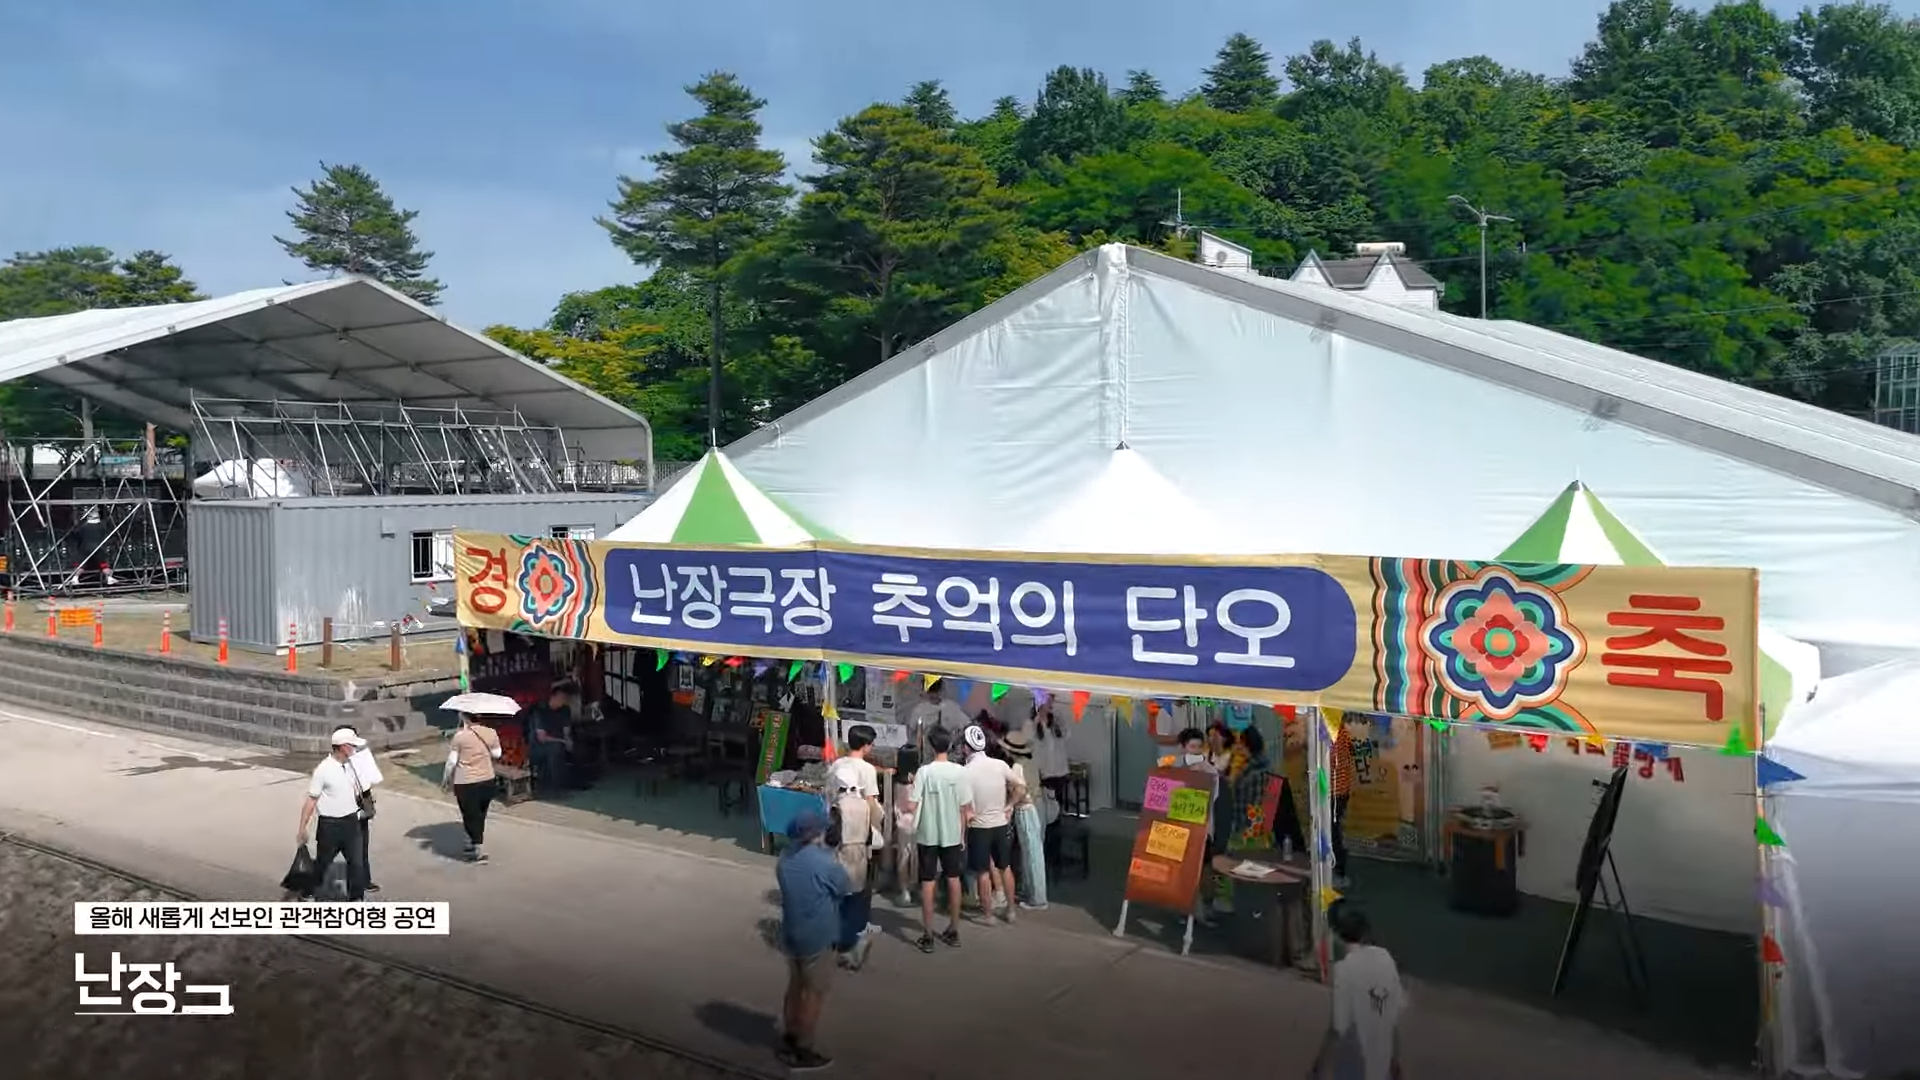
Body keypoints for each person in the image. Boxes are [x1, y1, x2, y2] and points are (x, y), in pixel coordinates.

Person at [774, 809, 847, 1072]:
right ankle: (803, 1048)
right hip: (818, 936)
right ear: (816, 833)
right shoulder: (825, 863)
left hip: (791, 932)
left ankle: (790, 1034)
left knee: (795, 986)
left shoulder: (785, 858)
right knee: (814, 993)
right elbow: (843, 887)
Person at [1310, 902, 1406, 1080]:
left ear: (1337, 935)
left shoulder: (1345, 969)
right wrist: (1395, 1063)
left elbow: (1336, 1028)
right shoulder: (1385, 958)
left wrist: (1318, 1067)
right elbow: (1392, 1019)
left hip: (1354, 1062)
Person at [904, 723, 972, 953]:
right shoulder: (960, 772)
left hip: (928, 834)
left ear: (931, 746)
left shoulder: (924, 772)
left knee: (928, 881)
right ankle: (954, 929)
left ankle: (928, 934)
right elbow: (966, 807)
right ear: (950, 745)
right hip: (952, 833)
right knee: (953, 879)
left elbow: (912, 806)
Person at [296, 728, 372, 901]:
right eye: (352, 745)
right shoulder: (323, 770)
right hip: (330, 826)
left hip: (352, 822)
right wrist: (302, 828)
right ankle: (308, 891)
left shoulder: (352, 766)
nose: (355, 748)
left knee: (357, 864)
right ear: (343, 747)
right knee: (323, 863)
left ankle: (356, 898)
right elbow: (311, 800)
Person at [829, 724, 881, 970]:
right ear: (866, 745)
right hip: (859, 833)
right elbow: (872, 804)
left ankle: (835, 935)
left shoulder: (836, 765)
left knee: (836, 888)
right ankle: (852, 937)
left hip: (835, 831)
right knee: (859, 888)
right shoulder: (867, 770)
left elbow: (828, 797)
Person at [960, 725, 1024, 925]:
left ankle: (988, 915)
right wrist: (1009, 805)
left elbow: (963, 805)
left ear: (966, 747)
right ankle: (1011, 911)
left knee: (983, 873)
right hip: (1000, 824)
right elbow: (1021, 786)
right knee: (1005, 868)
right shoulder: (1000, 765)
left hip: (979, 827)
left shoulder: (966, 772)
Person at [441, 710, 503, 863]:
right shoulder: (491, 732)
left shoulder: (460, 736)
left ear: (464, 716)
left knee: (470, 815)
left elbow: (451, 762)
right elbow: (497, 754)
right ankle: (472, 842)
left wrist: (446, 780)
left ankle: (476, 847)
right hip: (487, 779)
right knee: (480, 814)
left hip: (466, 782)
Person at [1000, 728, 1048, 911]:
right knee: (1034, 852)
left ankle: (1037, 898)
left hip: (1026, 809)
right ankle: (1032, 892)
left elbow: (1020, 790)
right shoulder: (1030, 762)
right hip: (1036, 807)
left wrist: (1009, 805)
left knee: (1031, 854)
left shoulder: (1017, 767)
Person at [338, 724, 383, 893]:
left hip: (357, 806)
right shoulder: (335, 764)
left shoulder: (359, 757)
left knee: (361, 846)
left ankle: (364, 881)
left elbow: (370, 779)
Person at [527, 679, 576, 795]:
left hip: (560, 741)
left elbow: (567, 730)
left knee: (577, 745)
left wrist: (568, 740)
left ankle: (576, 781)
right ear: (553, 697)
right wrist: (563, 741)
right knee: (556, 748)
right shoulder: (540, 711)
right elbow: (542, 738)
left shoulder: (565, 710)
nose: (563, 701)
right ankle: (557, 787)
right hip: (539, 746)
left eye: (565, 699)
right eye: (561, 698)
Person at [908, 680, 971, 762]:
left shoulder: (952, 708)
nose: (934, 694)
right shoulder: (919, 710)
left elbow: (967, 727)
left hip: (947, 759)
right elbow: (911, 736)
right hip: (928, 759)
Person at [1031, 704, 1072, 812]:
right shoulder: (1034, 725)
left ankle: (1058, 817)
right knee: (1047, 798)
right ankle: (1049, 818)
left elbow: (1067, 734)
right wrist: (1036, 721)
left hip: (1059, 769)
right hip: (1044, 770)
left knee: (1058, 798)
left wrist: (1058, 719)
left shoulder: (1055, 724)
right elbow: (1031, 743)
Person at [1331, 721, 1357, 888]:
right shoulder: (1342, 732)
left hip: (1334, 792)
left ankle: (1338, 873)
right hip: (1340, 791)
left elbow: (1331, 761)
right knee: (1334, 831)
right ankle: (1337, 871)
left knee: (1332, 833)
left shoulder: (1334, 734)